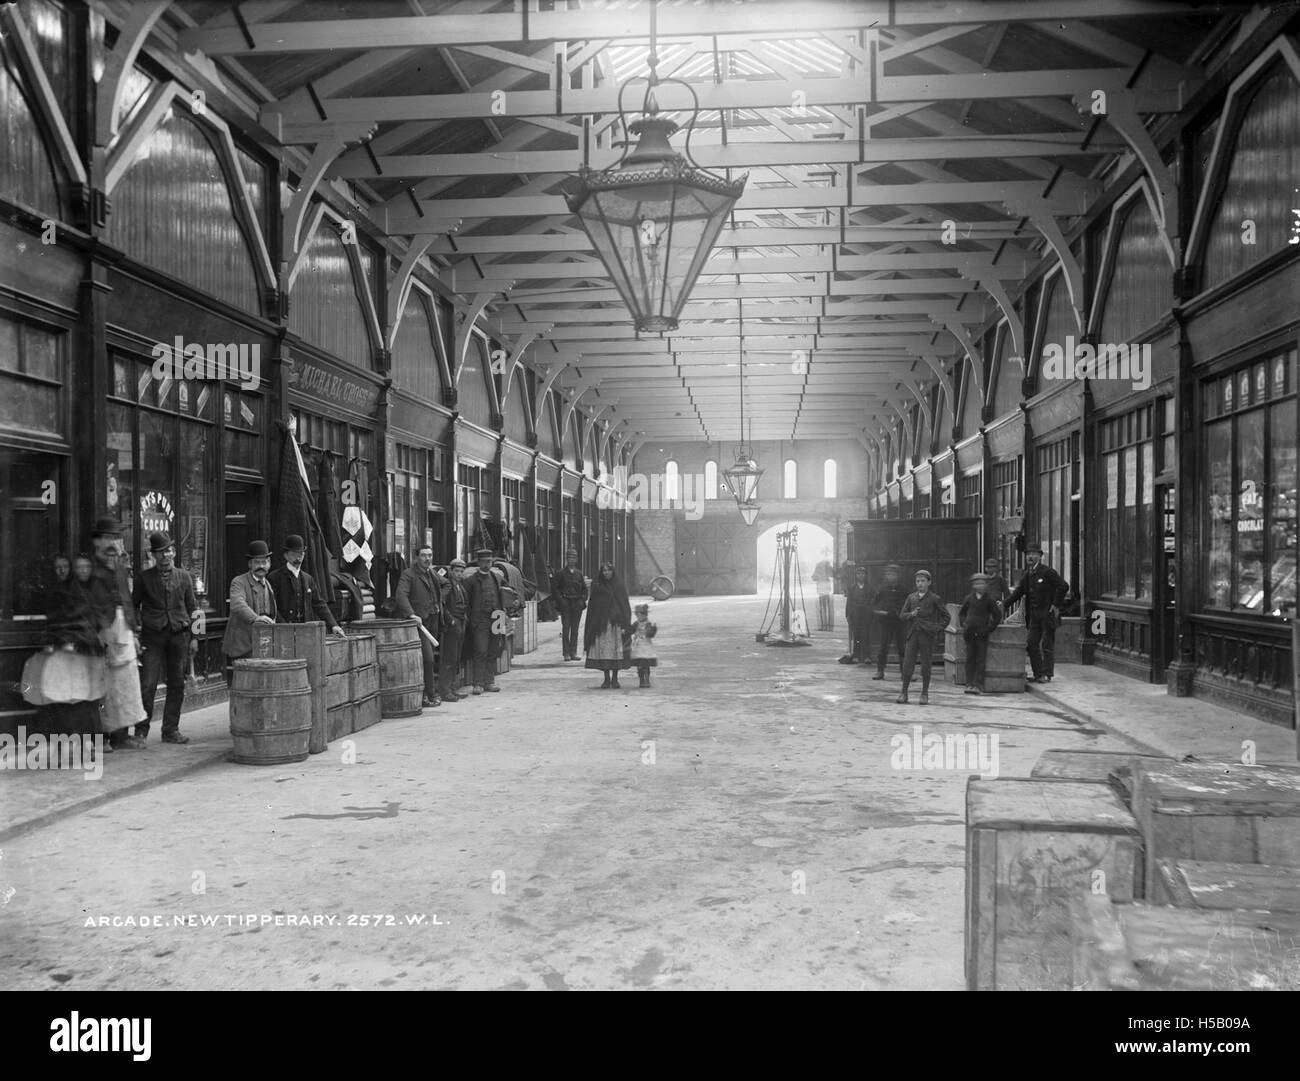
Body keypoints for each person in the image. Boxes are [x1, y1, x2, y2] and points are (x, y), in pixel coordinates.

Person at [132, 532, 202, 744]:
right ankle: (141, 732)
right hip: (152, 636)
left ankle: (170, 730)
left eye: (168, 551)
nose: (165, 556)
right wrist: (137, 630)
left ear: (173, 552)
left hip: (180, 635)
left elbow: (194, 608)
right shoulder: (143, 578)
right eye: (160, 552)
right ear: (153, 555)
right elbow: (133, 606)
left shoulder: (184, 576)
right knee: (148, 684)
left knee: (177, 684)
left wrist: (195, 637)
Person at [85, 518, 147, 750]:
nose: (111, 543)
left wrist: (134, 633)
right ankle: (100, 738)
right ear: (96, 542)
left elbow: (127, 600)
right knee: (103, 687)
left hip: (123, 630)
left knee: (125, 685)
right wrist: (97, 635)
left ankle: (120, 736)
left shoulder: (119, 567)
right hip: (101, 631)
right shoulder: (88, 568)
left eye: (114, 538)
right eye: (107, 538)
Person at [1005, 541, 1068, 683]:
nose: (1030, 556)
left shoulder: (1047, 572)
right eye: (1028, 554)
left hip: (1047, 614)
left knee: (1047, 644)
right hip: (1034, 616)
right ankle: (1038, 673)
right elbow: (1018, 593)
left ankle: (1047, 674)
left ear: (1040, 556)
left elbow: (1064, 586)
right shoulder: (1028, 574)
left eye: (1033, 554)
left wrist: (1055, 604)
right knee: (1031, 643)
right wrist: (1003, 605)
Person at [221, 540, 278, 683]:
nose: (261, 566)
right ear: (250, 564)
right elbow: (237, 604)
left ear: (269, 563)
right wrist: (255, 618)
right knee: (243, 688)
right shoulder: (239, 582)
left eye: (264, 562)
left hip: (261, 646)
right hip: (243, 647)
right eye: (257, 562)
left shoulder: (268, 584)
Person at [394, 544, 443, 708]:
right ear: (416, 557)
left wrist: (438, 603)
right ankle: (428, 695)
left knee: (429, 659)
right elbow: (401, 595)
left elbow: (446, 584)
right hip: (419, 624)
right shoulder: (408, 574)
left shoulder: (432, 573)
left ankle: (427, 694)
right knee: (427, 660)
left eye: (430, 555)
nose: (427, 558)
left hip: (432, 621)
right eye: (423, 555)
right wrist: (411, 614)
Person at [268, 535, 347, 636]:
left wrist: (333, 625)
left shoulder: (308, 579)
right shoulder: (275, 577)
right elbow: (272, 607)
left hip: (305, 632)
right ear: (286, 555)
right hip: (283, 632)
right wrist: (285, 627)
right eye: (294, 554)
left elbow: (319, 604)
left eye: (301, 554)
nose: (298, 558)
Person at [897, 569, 949, 705]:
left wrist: (935, 628)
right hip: (913, 634)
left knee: (926, 664)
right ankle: (904, 693)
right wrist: (911, 614)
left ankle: (924, 694)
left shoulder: (934, 598)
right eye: (917, 581)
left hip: (926, 635)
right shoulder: (911, 597)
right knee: (907, 663)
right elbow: (902, 615)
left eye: (923, 581)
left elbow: (946, 617)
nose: (920, 584)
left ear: (929, 582)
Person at [463, 548, 505, 695]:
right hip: (480, 620)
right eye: (483, 561)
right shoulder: (470, 581)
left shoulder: (497, 578)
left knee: (493, 650)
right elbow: (466, 603)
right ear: (478, 562)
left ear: (492, 562)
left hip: (497, 618)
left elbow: (508, 592)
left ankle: (490, 681)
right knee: (480, 650)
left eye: (489, 561)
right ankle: (478, 683)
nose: (486, 564)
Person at [584, 562, 631, 688]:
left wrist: (625, 622)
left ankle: (615, 679)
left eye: (608, 570)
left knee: (616, 651)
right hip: (602, 625)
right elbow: (593, 607)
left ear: (612, 571)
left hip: (616, 625)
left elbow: (625, 605)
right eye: (604, 571)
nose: (606, 573)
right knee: (604, 651)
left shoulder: (619, 586)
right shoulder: (598, 586)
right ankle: (606, 679)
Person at [959, 573, 1002, 695]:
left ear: (986, 585)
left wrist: (989, 629)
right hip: (969, 632)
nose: (979, 586)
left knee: (980, 659)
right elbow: (962, 613)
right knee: (970, 658)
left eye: (982, 583)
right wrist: (964, 624)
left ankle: (979, 685)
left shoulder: (989, 600)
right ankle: (969, 684)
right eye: (976, 583)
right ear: (973, 585)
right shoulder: (968, 598)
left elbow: (997, 616)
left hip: (982, 633)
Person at [437, 557, 468, 703]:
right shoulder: (448, 585)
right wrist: (451, 620)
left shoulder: (460, 586)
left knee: (456, 657)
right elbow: (442, 604)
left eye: (461, 571)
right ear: (451, 571)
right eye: (456, 571)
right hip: (452, 625)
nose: (459, 574)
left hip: (461, 623)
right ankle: (445, 691)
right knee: (449, 658)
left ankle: (452, 688)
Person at [870, 563, 908, 680]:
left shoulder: (904, 590)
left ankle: (905, 673)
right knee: (884, 647)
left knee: (903, 647)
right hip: (886, 622)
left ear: (898, 575)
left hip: (900, 622)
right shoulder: (880, 589)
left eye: (893, 574)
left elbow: (910, 605)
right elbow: (872, 607)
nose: (890, 576)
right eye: (888, 574)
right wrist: (884, 613)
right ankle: (880, 671)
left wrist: (903, 613)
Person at [552, 548, 587, 661]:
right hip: (566, 603)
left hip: (576, 604)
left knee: (575, 630)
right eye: (569, 557)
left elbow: (584, 590)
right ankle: (566, 653)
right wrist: (561, 601)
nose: (571, 560)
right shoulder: (561, 573)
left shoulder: (579, 574)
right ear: (566, 559)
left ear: (576, 559)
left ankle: (574, 652)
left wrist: (582, 600)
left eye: (573, 557)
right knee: (566, 628)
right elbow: (555, 589)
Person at [841, 564, 872, 665]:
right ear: (856, 576)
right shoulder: (852, 588)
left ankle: (867, 656)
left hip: (865, 614)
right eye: (859, 574)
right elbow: (849, 602)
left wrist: (869, 610)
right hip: (855, 615)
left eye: (863, 574)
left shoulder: (869, 588)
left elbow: (872, 600)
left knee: (866, 635)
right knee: (856, 635)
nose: (861, 576)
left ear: (865, 575)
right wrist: (847, 614)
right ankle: (856, 656)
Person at [628, 603, 658, 688]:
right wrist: (625, 631)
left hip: (646, 646)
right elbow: (631, 630)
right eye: (638, 615)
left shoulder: (648, 624)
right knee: (640, 665)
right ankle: (641, 680)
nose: (640, 617)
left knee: (646, 664)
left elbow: (650, 634)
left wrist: (653, 630)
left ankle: (647, 679)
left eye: (642, 615)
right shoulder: (636, 624)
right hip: (637, 647)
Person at [812, 551, 835, 631]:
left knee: (822, 607)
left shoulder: (818, 565)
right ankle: (828, 626)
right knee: (827, 607)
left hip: (821, 587)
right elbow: (833, 574)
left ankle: (823, 625)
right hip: (826, 587)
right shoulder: (828, 565)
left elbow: (814, 577)